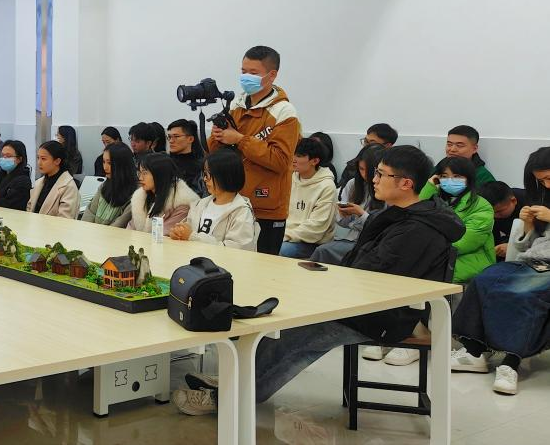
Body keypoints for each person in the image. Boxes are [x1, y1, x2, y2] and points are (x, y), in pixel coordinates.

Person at [174, 146, 463, 415]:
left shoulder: (417, 230)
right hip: (362, 301)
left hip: (382, 314)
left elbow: (375, 276)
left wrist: (332, 290)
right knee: (279, 319)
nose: (373, 179)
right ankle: (237, 378)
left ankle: (230, 398)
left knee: (297, 334)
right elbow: (363, 266)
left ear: (406, 183)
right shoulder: (396, 216)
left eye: (381, 174)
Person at [450, 147, 550, 395]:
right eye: (541, 181)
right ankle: (474, 350)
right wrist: (528, 226)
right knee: (484, 279)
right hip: (532, 261)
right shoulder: (544, 199)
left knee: (523, 293)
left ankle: (511, 361)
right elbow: (526, 246)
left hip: (545, 268)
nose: (546, 185)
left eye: (549, 178)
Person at [208, 45, 301, 255]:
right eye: (243, 72)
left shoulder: (284, 112)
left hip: (266, 209)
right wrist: (217, 136)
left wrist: (240, 139)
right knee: (227, 262)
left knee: (262, 269)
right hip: (233, 203)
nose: (246, 78)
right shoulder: (236, 105)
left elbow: (280, 160)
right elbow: (215, 155)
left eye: (253, 73)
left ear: (272, 75)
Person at [420, 156, 496, 284]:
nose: (450, 181)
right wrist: (429, 187)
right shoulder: (435, 200)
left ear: (469, 179)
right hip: (435, 262)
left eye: (457, 176)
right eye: (444, 176)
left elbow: (463, 244)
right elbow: (414, 213)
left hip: (467, 266)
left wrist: (422, 246)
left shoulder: (481, 206)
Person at [312, 144, 388, 265]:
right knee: (324, 250)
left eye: (368, 170)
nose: (364, 174)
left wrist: (361, 214)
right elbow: (342, 223)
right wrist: (343, 214)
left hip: (374, 243)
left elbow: (382, 228)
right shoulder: (353, 184)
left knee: (324, 251)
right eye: (361, 169)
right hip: (351, 239)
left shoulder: (387, 188)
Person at [169, 149, 257, 251]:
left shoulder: (241, 211)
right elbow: (186, 230)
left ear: (224, 176)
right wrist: (178, 233)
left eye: (207, 175)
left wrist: (192, 236)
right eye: (204, 174)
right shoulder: (200, 204)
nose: (204, 179)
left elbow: (236, 250)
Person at [280, 139, 339, 259]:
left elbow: (316, 227)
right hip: (285, 235)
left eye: (299, 156)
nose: (293, 159)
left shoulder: (327, 186)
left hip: (311, 243)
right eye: (293, 154)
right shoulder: (289, 177)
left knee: (278, 249)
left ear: (315, 161)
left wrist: (284, 236)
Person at [128, 153, 200, 234]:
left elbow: (164, 234)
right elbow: (130, 229)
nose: (140, 178)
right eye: (139, 173)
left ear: (160, 174)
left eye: (145, 173)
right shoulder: (141, 197)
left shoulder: (182, 203)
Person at [81, 142, 137, 227]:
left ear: (122, 165)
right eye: (104, 162)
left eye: (110, 163)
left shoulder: (135, 194)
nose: (105, 167)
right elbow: (90, 211)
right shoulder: (104, 185)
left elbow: (119, 224)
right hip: (91, 231)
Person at [26, 141, 80, 219]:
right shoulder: (39, 182)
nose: (39, 163)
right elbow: (29, 208)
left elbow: (65, 220)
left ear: (57, 161)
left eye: (43, 159)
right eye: (38, 158)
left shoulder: (68, 187)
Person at [478, 181, 526, 260]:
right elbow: (493, 238)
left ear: (513, 201)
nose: (494, 216)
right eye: (491, 213)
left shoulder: (531, 203)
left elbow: (540, 236)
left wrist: (513, 247)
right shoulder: (489, 212)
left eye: (499, 212)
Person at [0, 141, 33, 211]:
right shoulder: (2, 175)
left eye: (8, 156)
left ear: (19, 159)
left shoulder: (23, 180)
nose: (4, 158)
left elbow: (10, 205)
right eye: (2, 155)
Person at [167, 119, 205, 195]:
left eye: (176, 136)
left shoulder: (201, 166)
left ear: (190, 139)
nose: (171, 141)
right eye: (169, 137)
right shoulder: (164, 162)